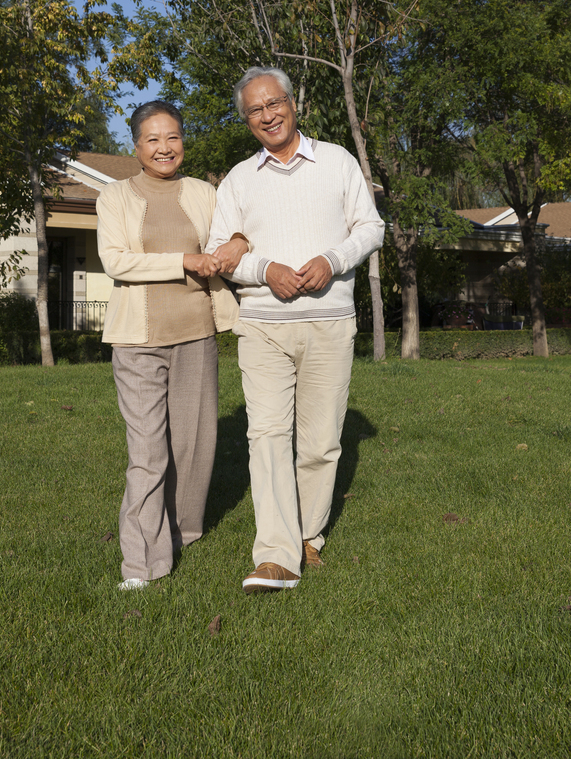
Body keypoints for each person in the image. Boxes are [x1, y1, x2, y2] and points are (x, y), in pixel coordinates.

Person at [206, 67, 385, 594]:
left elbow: (372, 227)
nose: (267, 115)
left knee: (322, 442)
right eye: (255, 111)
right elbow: (223, 253)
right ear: (247, 121)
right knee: (265, 437)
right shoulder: (239, 179)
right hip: (262, 326)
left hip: (329, 323)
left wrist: (333, 260)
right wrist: (266, 271)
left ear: (291, 103)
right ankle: (276, 556)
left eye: (274, 103)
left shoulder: (337, 161)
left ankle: (309, 536)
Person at [97, 101, 246, 590]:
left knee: (193, 445)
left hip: (197, 335)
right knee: (148, 452)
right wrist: (183, 260)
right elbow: (117, 262)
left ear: (183, 141)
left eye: (173, 137)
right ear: (136, 147)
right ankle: (141, 564)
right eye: (153, 140)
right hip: (138, 340)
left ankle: (182, 534)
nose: (165, 148)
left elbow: (233, 233)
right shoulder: (114, 196)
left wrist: (239, 242)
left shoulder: (204, 192)